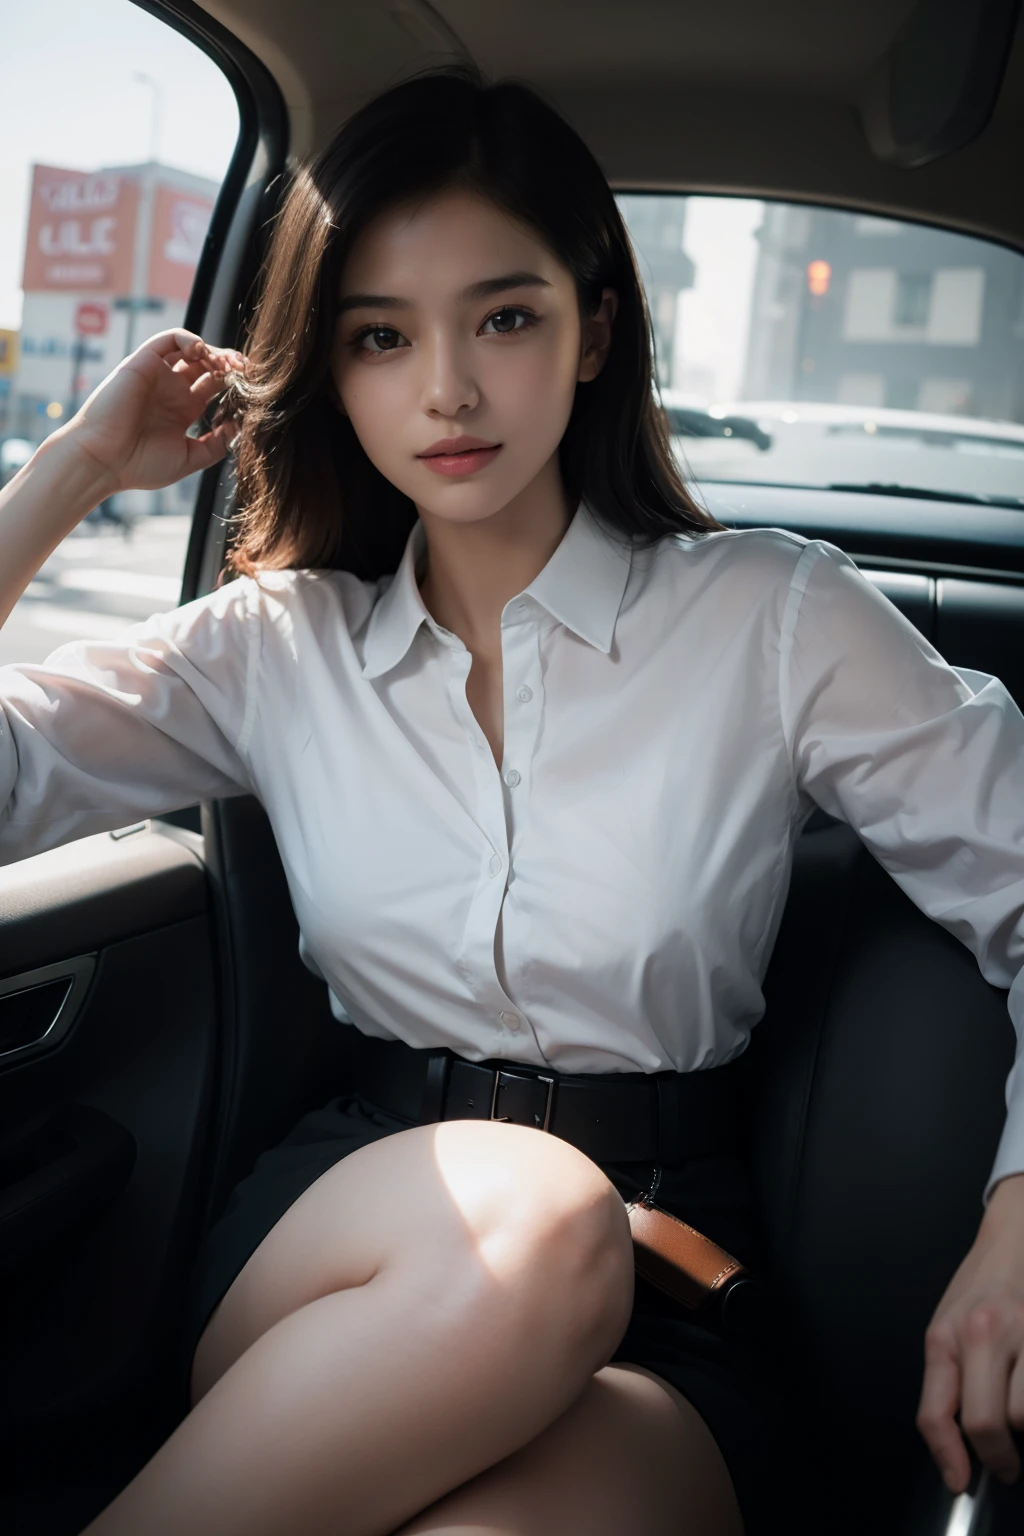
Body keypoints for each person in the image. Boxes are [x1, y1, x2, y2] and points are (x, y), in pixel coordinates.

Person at [1, 62, 1023, 1536]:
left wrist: (1013, 1225)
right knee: (536, 1222)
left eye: (503, 317)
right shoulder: (277, 649)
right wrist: (74, 470)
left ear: (594, 327)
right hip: (342, 1244)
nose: (447, 390)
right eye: (379, 336)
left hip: (672, 1274)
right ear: (329, 368)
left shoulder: (775, 620)